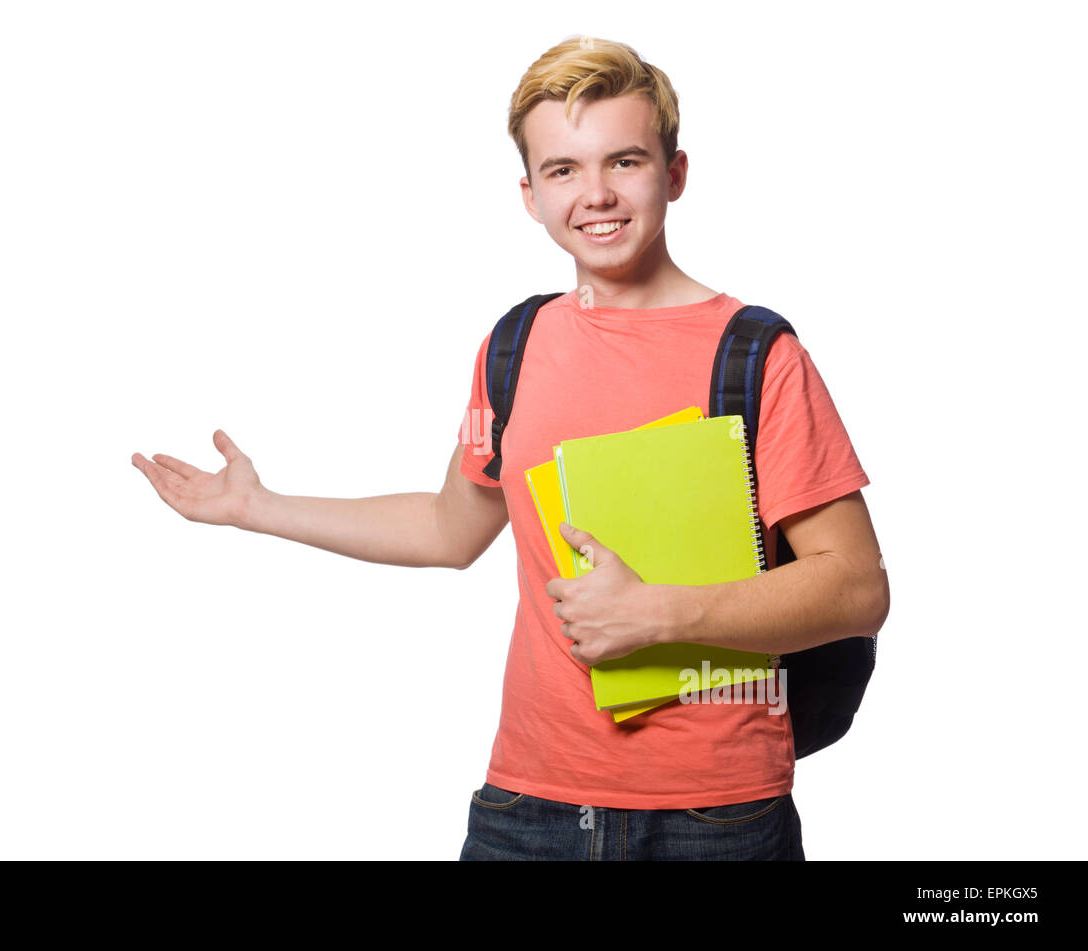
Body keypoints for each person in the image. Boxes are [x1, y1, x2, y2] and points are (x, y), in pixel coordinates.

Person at [130, 35, 889, 861]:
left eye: (624, 161)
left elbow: (855, 587)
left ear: (674, 173)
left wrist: (657, 613)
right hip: (530, 806)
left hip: (716, 817)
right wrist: (257, 507)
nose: (595, 195)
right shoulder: (515, 343)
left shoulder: (756, 354)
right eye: (563, 170)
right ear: (529, 194)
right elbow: (447, 530)